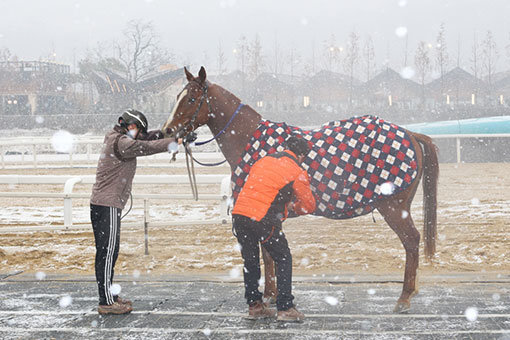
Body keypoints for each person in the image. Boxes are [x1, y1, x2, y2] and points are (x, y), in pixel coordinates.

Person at [90, 109, 179, 315]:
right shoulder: (122, 143)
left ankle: (109, 295)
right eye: (138, 129)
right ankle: (106, 302)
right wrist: (174, 142)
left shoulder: (118, 136)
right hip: (107, 205)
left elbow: (146, 138)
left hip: (105, 205)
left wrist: (169, 133)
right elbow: (145, 146)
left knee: (109, 252)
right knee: (107, 253)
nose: (139, 133)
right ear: (130, 126)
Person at [231, 136, 316, 322]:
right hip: (263, 218)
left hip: (240, 214)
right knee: (283, 257)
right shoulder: (297, 170)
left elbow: (261, 187)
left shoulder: (264, 160)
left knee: (251, 260)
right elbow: (309, 205)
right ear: (301, 155)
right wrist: (295, 207)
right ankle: (285, 307)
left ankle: (254, 305)